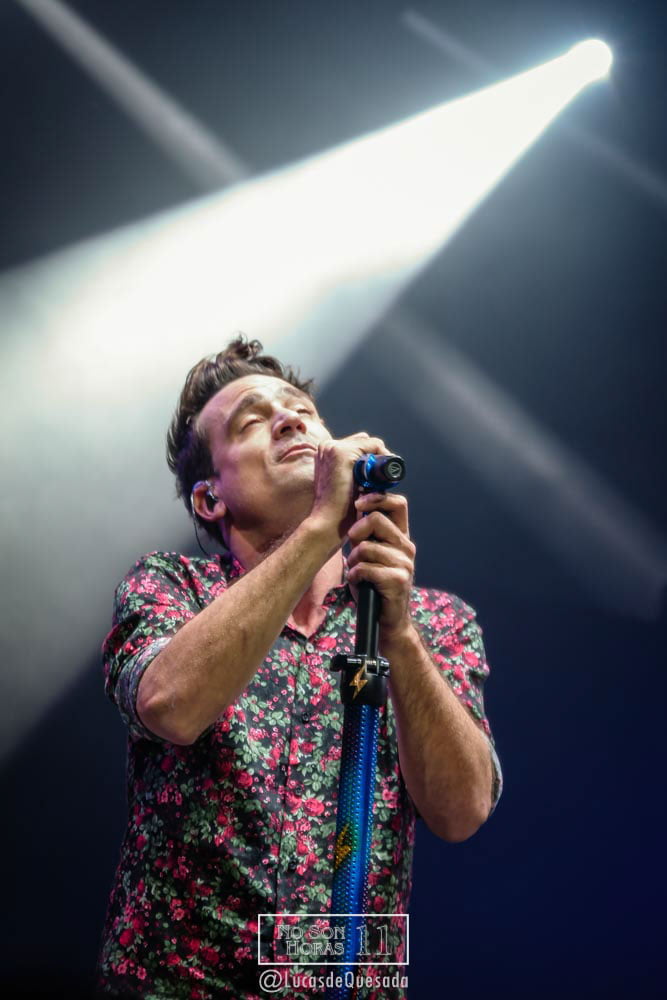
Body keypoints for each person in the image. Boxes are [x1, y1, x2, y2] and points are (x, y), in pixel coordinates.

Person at [96, 336, 502, 999]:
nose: (288, 419)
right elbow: (169, 706)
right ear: (209, 499)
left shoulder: (434, 621)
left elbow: (462, 812)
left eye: (302, 411)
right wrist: (319, 528)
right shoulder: (173, 587)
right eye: (251, 421)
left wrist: (398, 635)